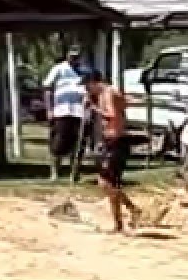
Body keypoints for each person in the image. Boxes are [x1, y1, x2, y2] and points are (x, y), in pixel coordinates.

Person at [84, 70, 140, 233]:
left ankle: (128, 213)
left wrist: (94, 109)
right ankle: (122, 219)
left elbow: (112, 115)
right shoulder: (110, 92)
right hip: (113, 141)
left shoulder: (107, 94)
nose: (87, 91)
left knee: (107, 183)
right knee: (107, 183)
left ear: (94, 83)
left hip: (116, 141)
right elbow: (124, 103)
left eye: (88, 87)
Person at [42, 47, 86, 181]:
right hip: (62, 110)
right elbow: (48, 88)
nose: (74, 59)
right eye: (72, 56)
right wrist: (50, 109)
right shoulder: (59, 68)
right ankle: (55, 173)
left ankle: (74, 173)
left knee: (78, 142)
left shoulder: (84, 71)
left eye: (77, 56)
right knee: (59, 142)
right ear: (67, 56)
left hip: (80, 111)